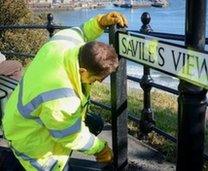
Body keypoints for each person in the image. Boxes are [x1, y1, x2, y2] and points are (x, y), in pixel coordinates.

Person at [2, 11, 128, 170]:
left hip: (22, 114)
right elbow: (71, 135)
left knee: (95, 123)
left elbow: (81, 31)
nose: (97, 83)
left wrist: (100, 23)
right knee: (44, 165)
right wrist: (100, 149)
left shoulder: (65, 42)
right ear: (83, 71)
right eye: (96, 79)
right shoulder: (61, 97)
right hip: (29, 139)